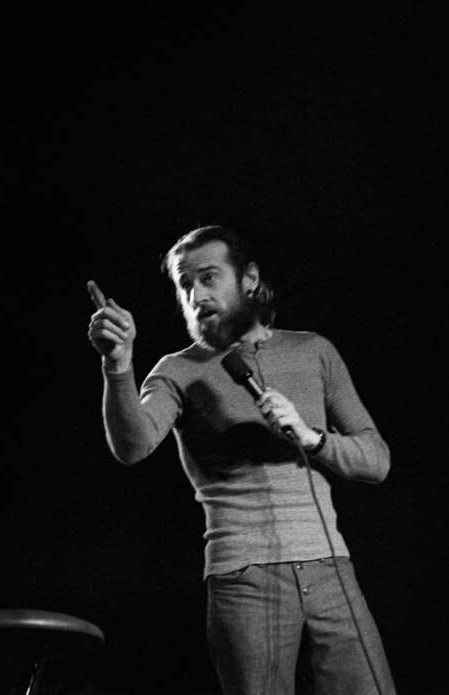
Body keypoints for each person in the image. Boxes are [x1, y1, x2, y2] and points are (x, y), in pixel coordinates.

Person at [86, 225, 397, 694]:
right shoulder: (177, 369)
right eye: (185, 284)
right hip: (244, 577)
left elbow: (377, 460)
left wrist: (312, 438)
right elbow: (132, 446)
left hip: (330, 568)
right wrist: (118, 364)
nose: (196, 295)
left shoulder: (314, 350)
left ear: (248, 278)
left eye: (209, 278)